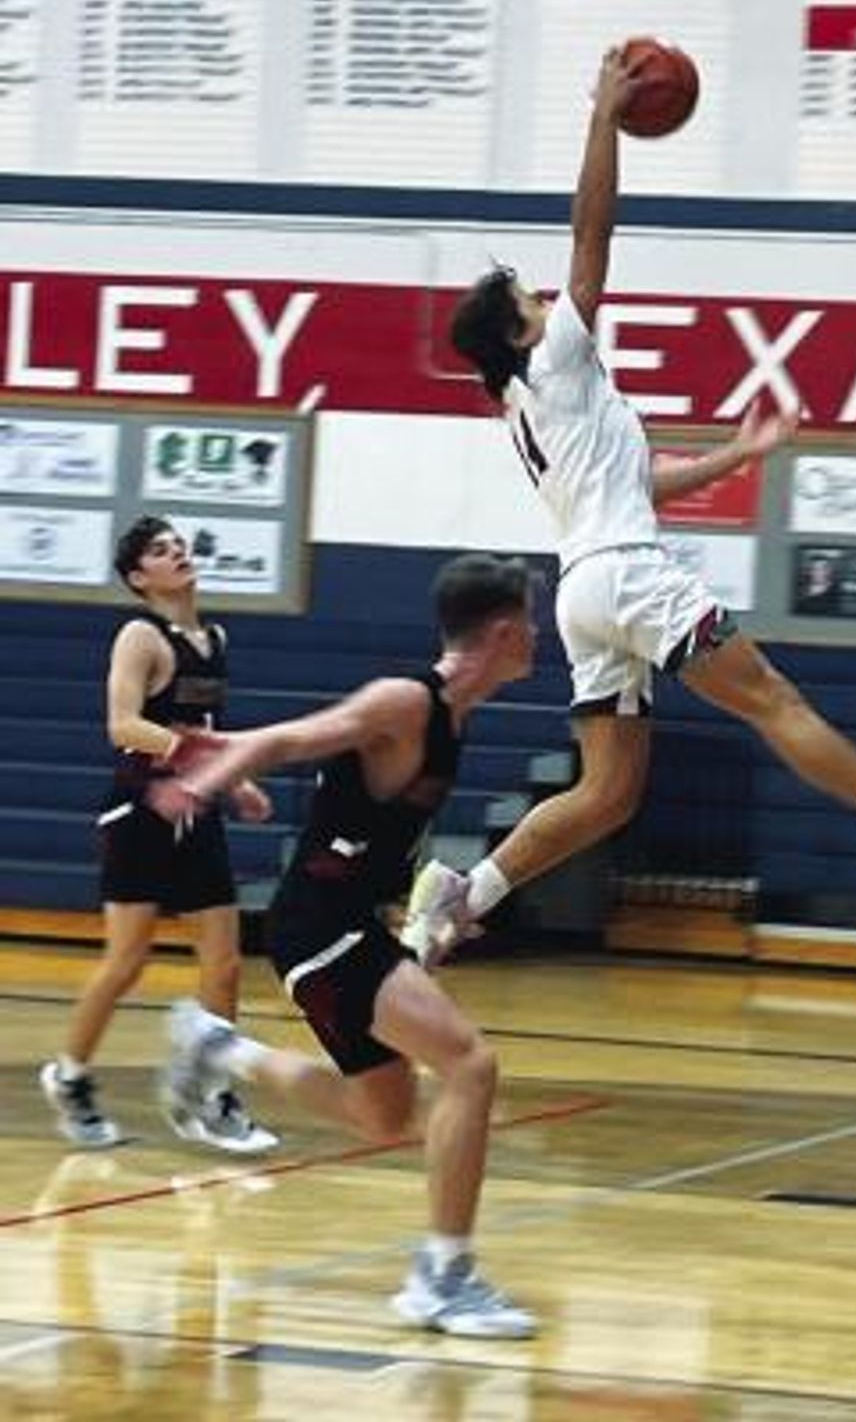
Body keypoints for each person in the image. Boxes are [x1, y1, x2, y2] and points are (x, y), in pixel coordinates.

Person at [399, 46, 856, 962]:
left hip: (586, 591)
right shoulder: (555, 358)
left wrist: (739, 454)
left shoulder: (532, 407)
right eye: (529, 297)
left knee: (609, 793)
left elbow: (633, 486)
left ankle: (462, 892)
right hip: (627, 578)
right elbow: (590, 234)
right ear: (519, 329)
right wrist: (605, 117)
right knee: (769, 696)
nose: (547, 296)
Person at [148, 552, 538, 1339]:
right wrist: (208, 779)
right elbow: (298, 735)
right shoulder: (406, 700)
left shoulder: (453, 718)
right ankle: (443, 1276)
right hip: (323, 928)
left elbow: (364, 813)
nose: (538, 635)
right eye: (530, 622)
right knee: (470, 1063)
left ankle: (216, 1047)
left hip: (347, 921)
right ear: (502, 630)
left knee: (382, 1113)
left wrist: (439, 912)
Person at [39, 515, 278, 1155]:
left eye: (180, 545)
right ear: (139, 577)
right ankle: (71, 1078)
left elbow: (209, 730)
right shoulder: (140, 636)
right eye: (160, 551)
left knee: (224, 966)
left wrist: (235, 781)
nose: (177, 554)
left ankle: (213, 1094)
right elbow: (123, 725)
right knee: (127, 962)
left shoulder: (216, 637)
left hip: (196, 813)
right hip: (140, 811)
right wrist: (203, 758)